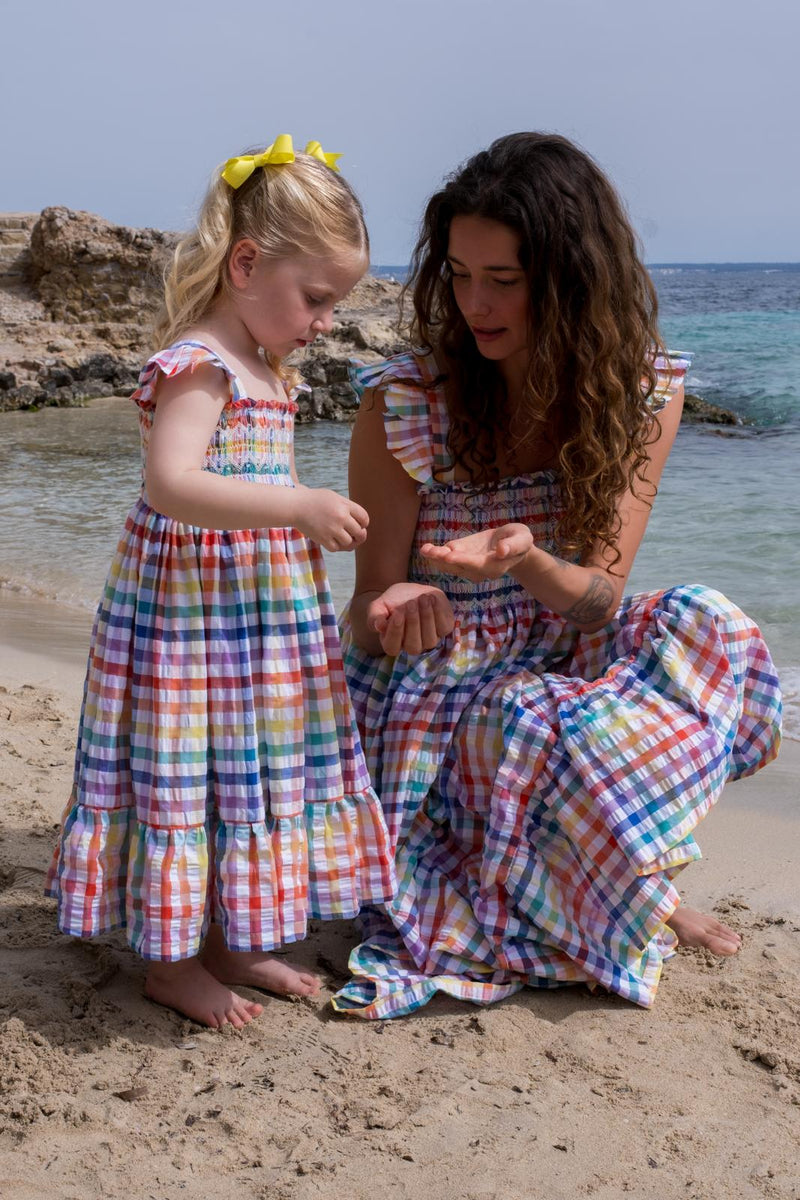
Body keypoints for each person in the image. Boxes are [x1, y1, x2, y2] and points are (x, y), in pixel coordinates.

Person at [330, 132, 782, 1020]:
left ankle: (629, 872)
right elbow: (361, 612)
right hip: (437, 683)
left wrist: (528, 558)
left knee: (706, 623)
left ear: (573, 279)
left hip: (563, 644)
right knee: (522, 714)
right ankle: (634, 893)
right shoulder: (407, 402)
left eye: (504, 279)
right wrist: (395, 603)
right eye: (459, 274)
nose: (474, 304)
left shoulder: (640, 391)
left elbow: (602, 601)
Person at [46, 135, 396, 1029]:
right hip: (190, 621)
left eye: (335, 303)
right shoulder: (199, 360)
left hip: (254, 617)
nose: (324, 321)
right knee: (183, 768)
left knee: (250, 768)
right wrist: (297, 507)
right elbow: (172, 483)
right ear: (246, 262)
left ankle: (235, 939)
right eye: (316, 298)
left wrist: (297, 524)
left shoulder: (265, 367)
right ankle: (170, 962)